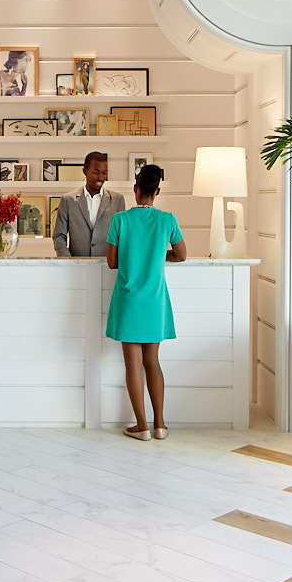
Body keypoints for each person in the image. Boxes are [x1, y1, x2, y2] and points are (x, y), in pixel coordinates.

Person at [105, 164, 187, 441]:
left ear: (136, 189)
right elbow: (182, 255)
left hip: (129, 299)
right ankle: (160, 424)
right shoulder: (168, 220)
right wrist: (158, 256)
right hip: (155, 300)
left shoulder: (120, 220)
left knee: (133, 365)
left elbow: (112, 261)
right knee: (153, 362)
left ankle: (141, 426)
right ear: (158, 191)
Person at [53, 151, 126, 257]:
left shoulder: (118, 200)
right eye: (96, 172)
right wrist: (67, 261)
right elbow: (59, 236)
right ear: (85, 171)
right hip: (76, 267)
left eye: (104, 173)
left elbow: (122, 237)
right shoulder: (68, 200)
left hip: (108, 267)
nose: (101, 177)